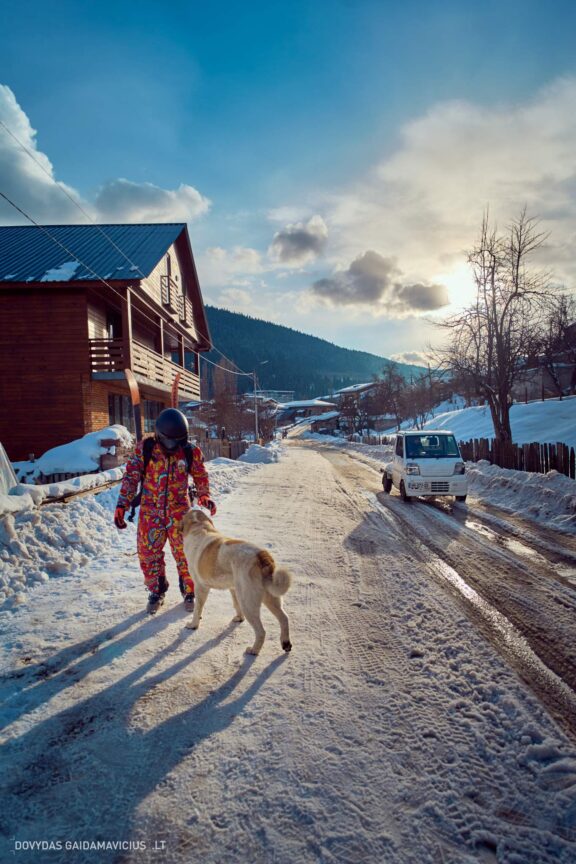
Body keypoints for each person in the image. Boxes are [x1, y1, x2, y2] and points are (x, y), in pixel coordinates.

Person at [113, 408, 217, 615]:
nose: (172, 446)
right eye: (169, 441)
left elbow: (200, 474)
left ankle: (190, 592)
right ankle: (156, 591)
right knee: (148, 554)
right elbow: (131, 477)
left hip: (180, 512)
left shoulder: (190, 451)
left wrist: (204, 495)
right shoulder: (146, 449)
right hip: (150, 512)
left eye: (177, 441)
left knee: (186, 554)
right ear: (159, 435)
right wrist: (122, 504)